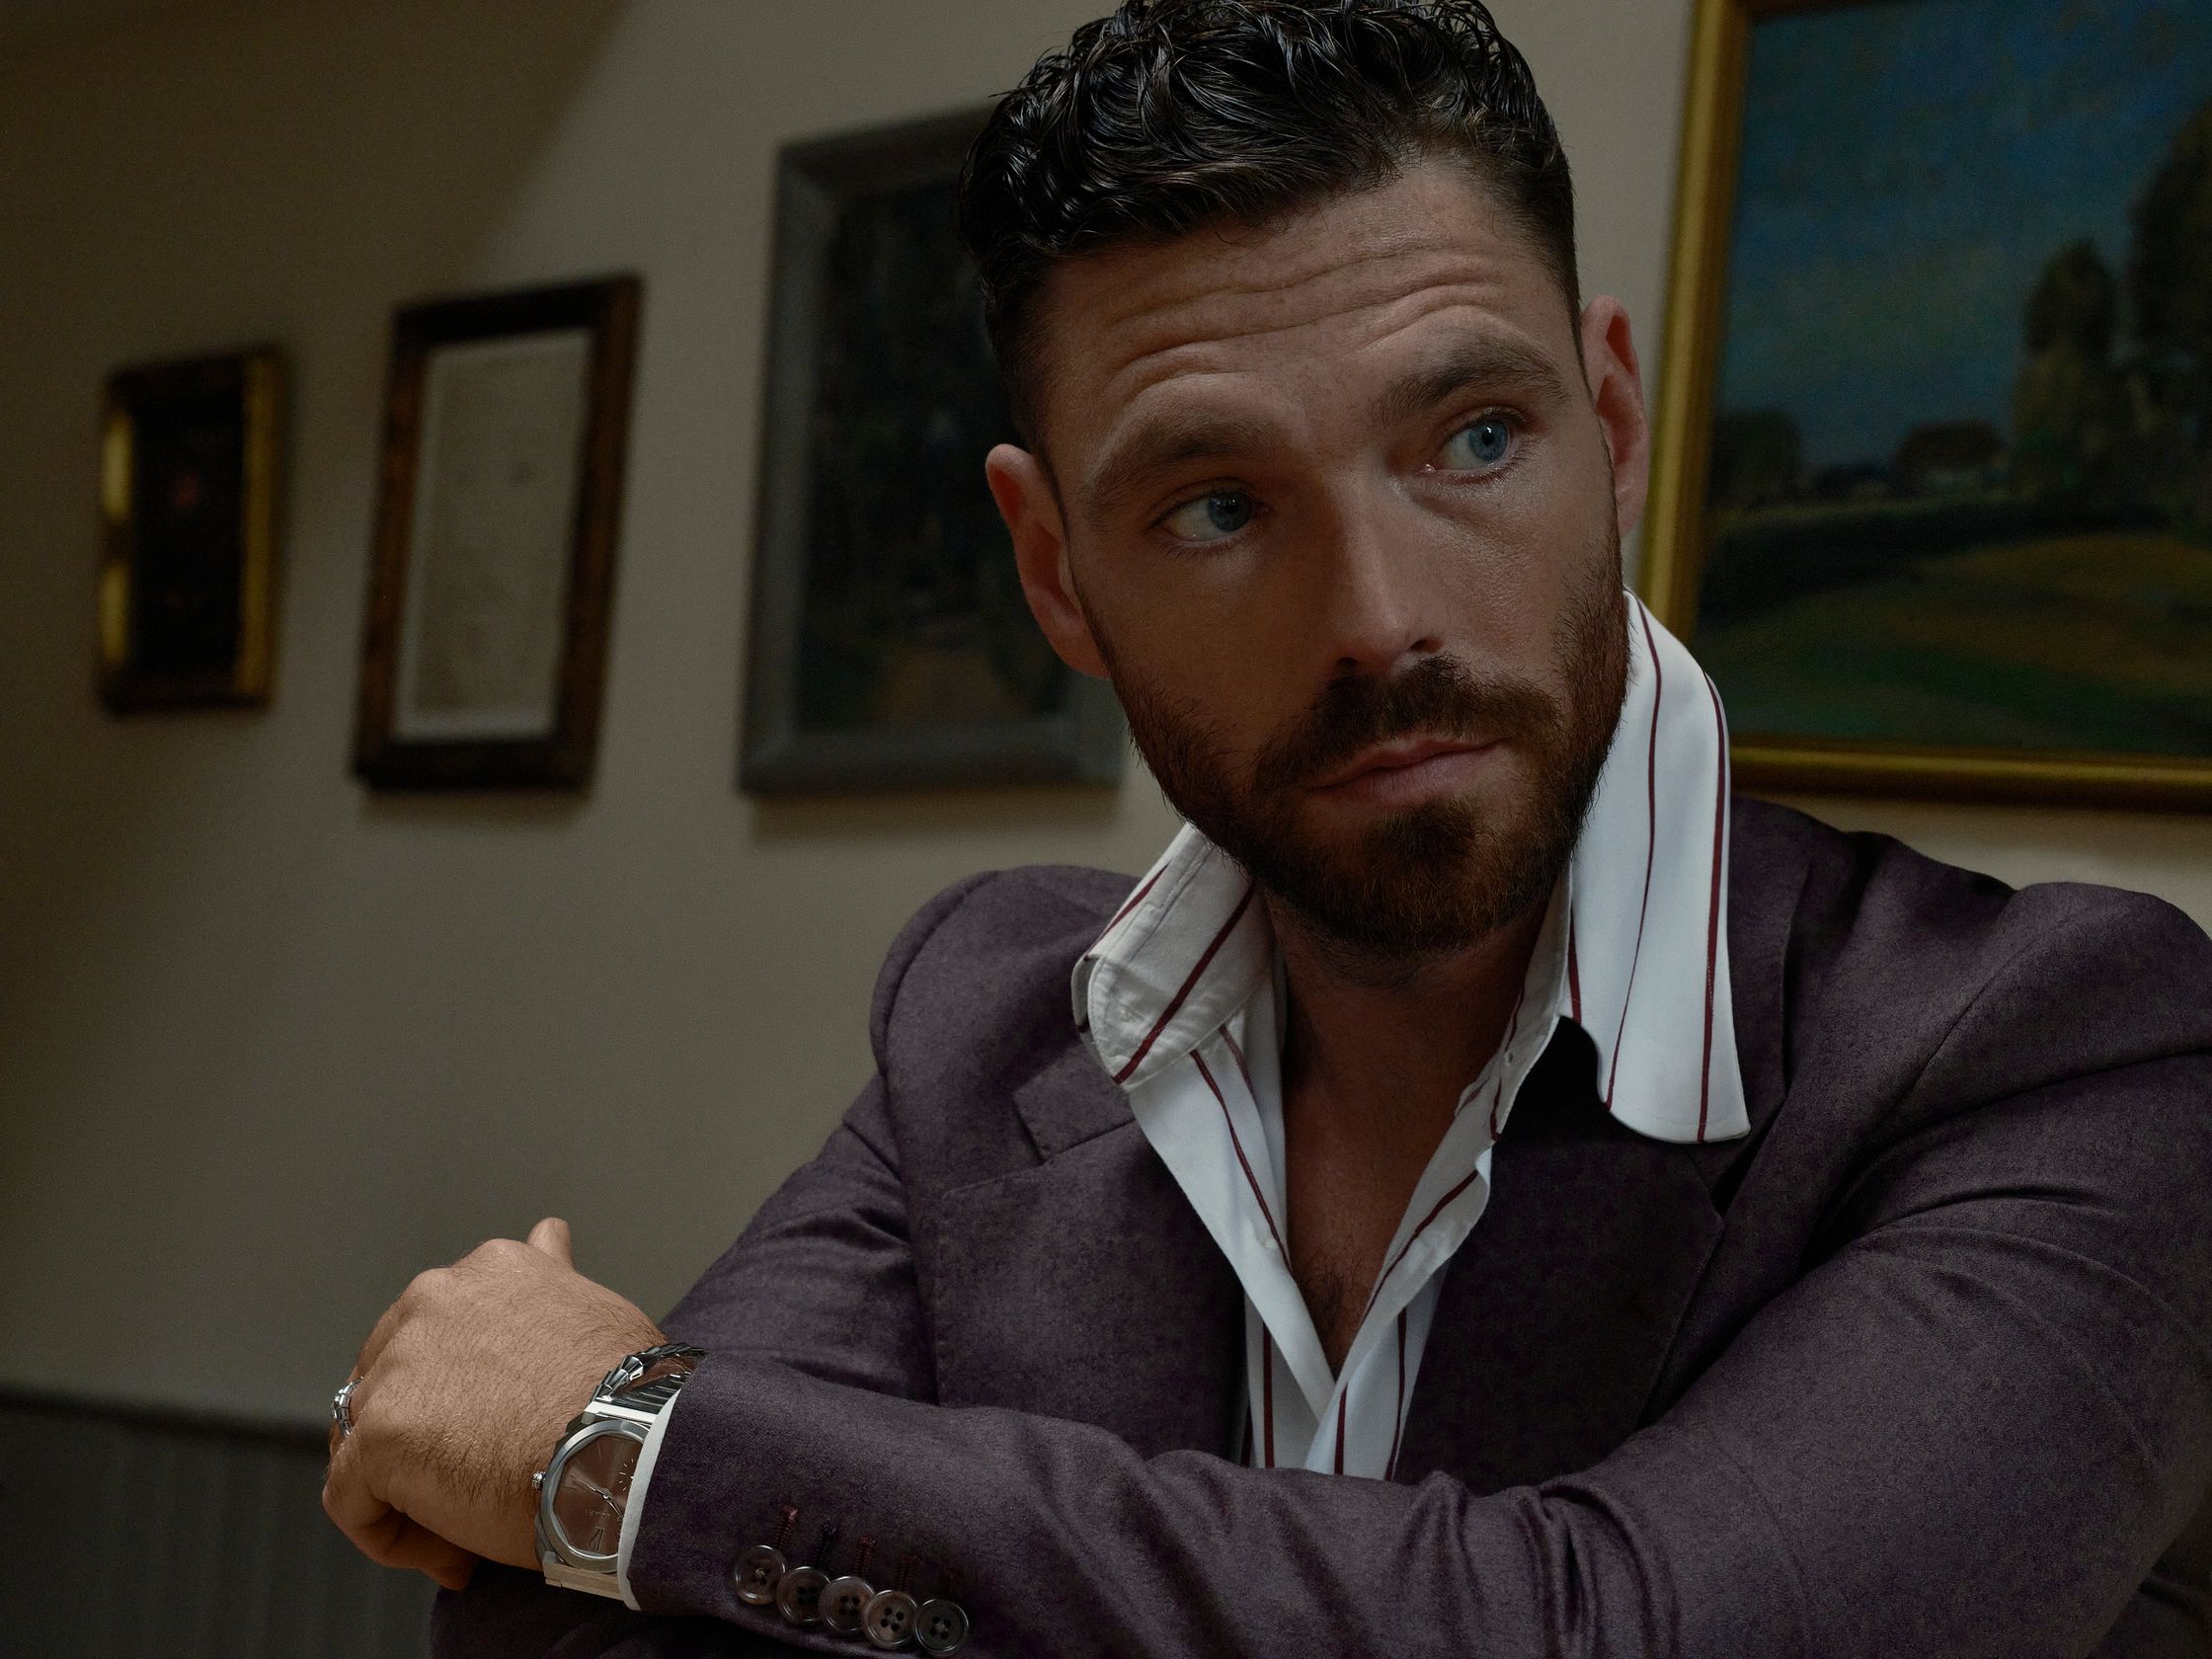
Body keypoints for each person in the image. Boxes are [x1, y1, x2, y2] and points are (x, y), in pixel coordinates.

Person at [322, 2, 2212, 1653]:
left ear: (1613, 422)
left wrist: (636, 1446)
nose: (1380, 618)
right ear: (1055, 573)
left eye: (1474, 438)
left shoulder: (2078, 1055)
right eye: (1218, 508)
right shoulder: (986, 1024)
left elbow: (1633, 1634)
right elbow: (554, 1628)